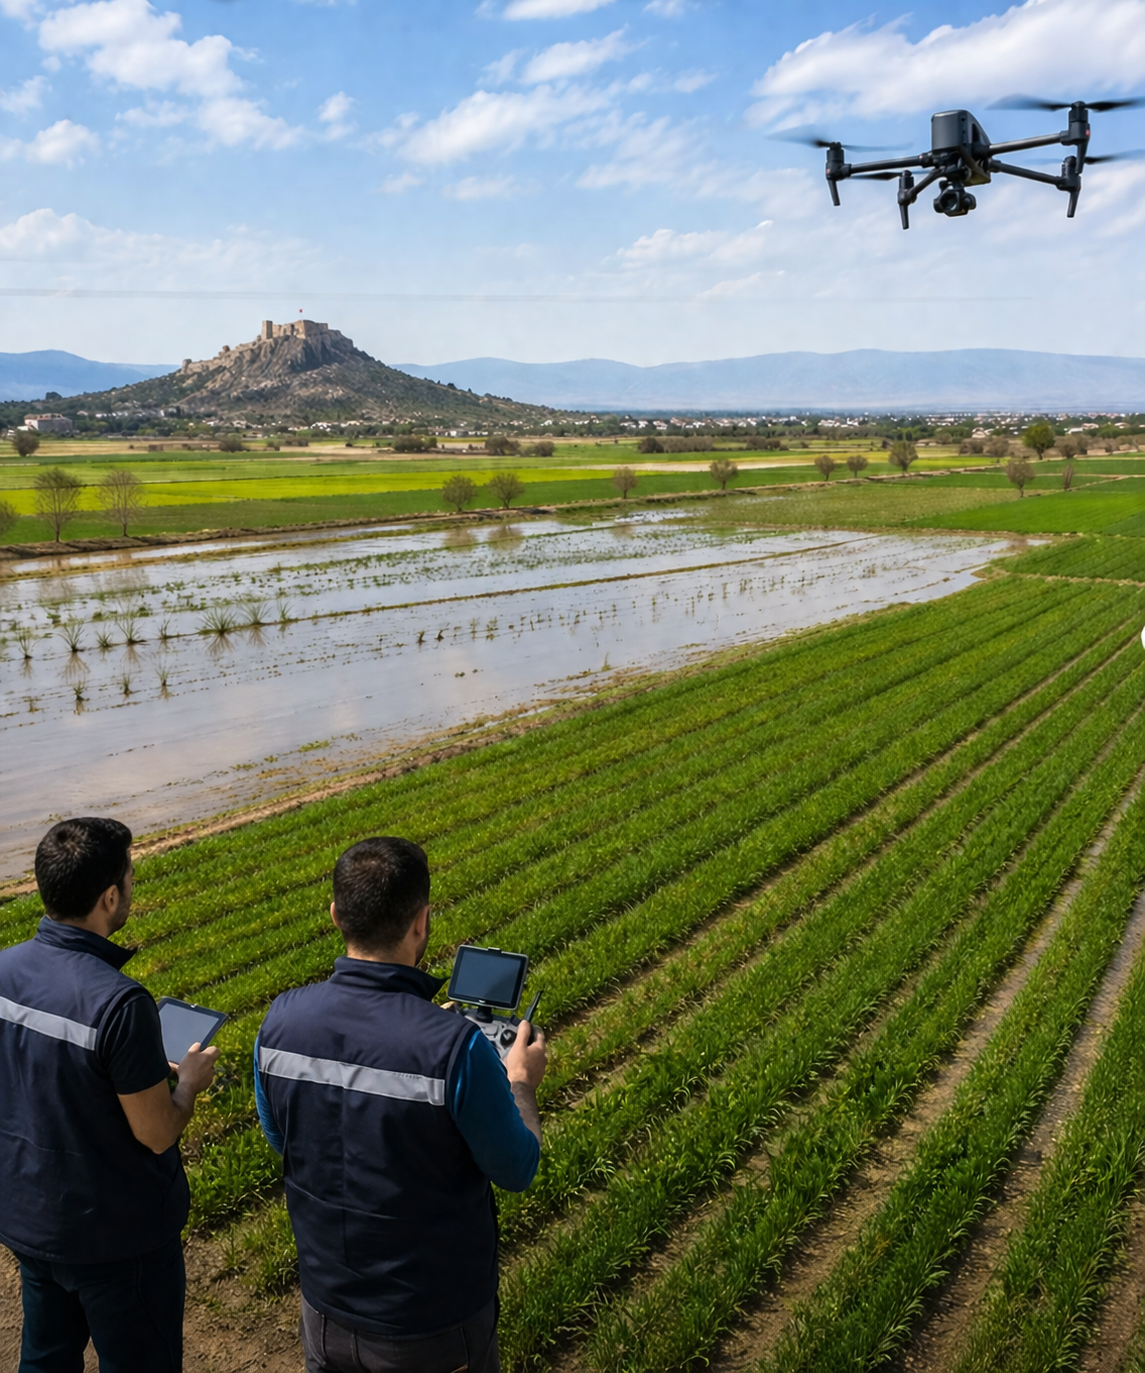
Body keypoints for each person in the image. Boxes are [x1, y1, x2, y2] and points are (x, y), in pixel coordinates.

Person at [254, 835, 546, 1373]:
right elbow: (516, 1167)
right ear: (421, 922)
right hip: (431, 1325)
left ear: (336, 915)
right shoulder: (455, 1048)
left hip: (324, 1309)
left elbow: (282, 1138)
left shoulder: (279, 1021)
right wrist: (521, 1083)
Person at [0, 817, 219, 1373]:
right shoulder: (120, 1003)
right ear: (110, 896)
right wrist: (188, 1083)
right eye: (130, 876)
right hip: (116, 1239)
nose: (132, 886)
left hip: (29, 1218)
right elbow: (156, 1132)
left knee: (45, 1359)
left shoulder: (3, 970)